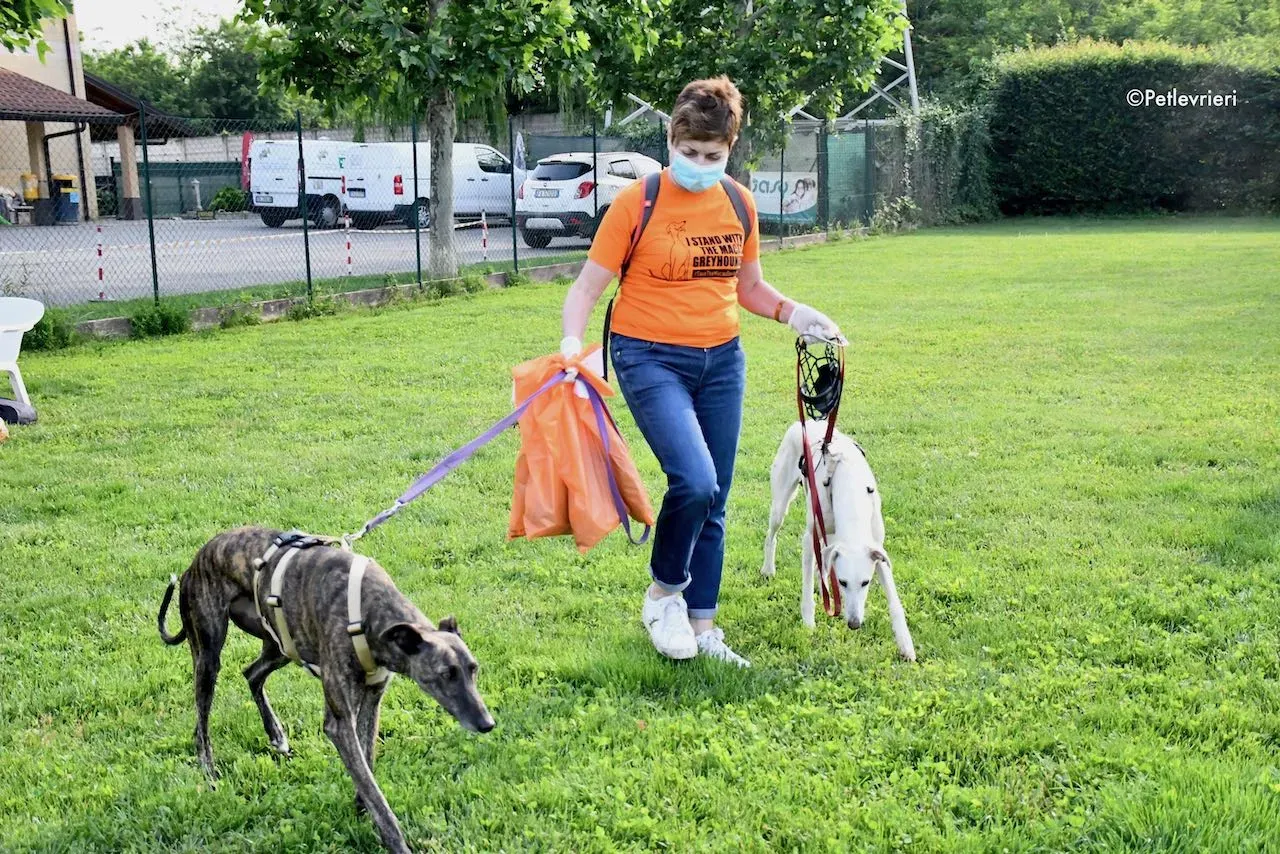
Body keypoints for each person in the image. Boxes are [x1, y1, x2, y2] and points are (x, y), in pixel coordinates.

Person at [559, 76, 843, 668]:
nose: (699, 164)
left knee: (716, 498)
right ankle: (663, 593)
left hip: (722, 361)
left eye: (712, 156)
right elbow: (586, 290)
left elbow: (751, 288)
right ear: (671, 140)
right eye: (689, 153)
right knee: (694, 479)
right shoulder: (637, 202)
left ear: (730, 149)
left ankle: (704, 627)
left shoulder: (738, 202)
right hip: (647, 355)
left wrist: (797, 315)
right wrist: (570, 345)